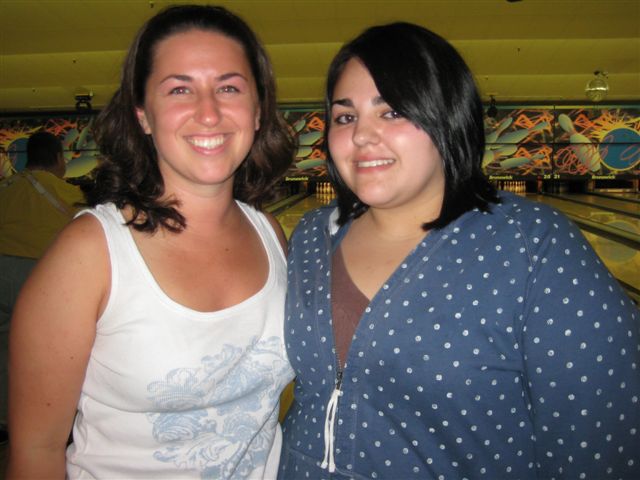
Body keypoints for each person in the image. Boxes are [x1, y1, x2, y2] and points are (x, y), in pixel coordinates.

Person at [279, 22, 640, 480]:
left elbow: (599, 447)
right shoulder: (312, 235)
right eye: (345, 117)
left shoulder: (535, 246)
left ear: (446, 116)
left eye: (392, 112)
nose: (362, 135)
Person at [7, 4, 295, 479]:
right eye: (180, 89)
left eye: (229, 87)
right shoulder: (90, 253)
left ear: (258, 109)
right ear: (142, 115)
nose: (209, 112)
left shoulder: (269, 234)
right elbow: (36, 451)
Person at [0, 131, 84, 444]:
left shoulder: (6, 188)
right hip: (39, 276)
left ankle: (5, 420)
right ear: (59, 158)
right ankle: (48, 421)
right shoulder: (67, 192)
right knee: (47, 352)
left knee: (4, 348)